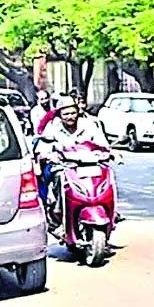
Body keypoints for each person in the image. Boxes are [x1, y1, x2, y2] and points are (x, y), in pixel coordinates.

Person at [36, 95, 111, 225]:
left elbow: (103, 144)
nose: (70, 116)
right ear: (59, 115)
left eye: (72, 113)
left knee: (104, 175)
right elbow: (42, 148)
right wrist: (49, 155)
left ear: (78, 112)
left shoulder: (89, 125)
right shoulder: (53, 127)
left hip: (87, 166)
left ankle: (107, 207)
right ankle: (59, 210)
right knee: (59, 177)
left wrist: (107, 153)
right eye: (65, 114)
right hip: (62, 166)